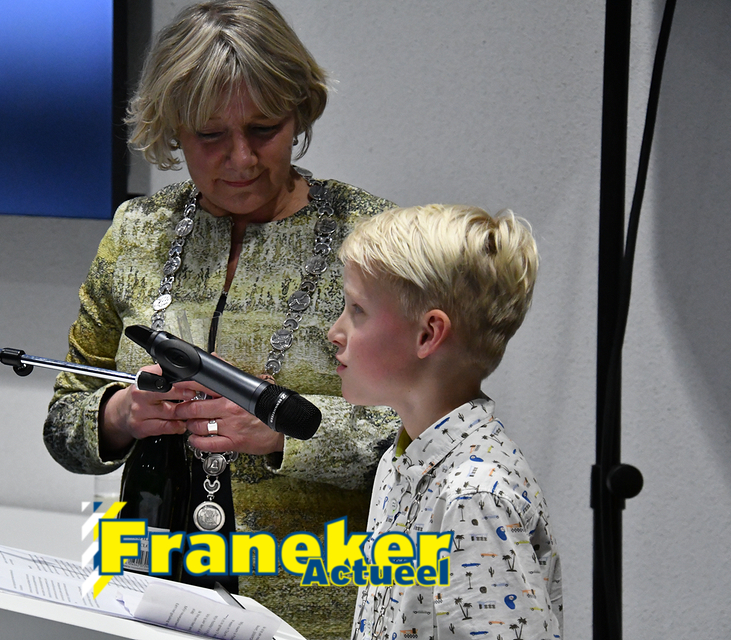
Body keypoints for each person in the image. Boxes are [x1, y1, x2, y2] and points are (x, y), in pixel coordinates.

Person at [42, 2, 399, 638]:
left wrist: (285, 433)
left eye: (263, 129)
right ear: (173, 130)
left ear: (299, 113)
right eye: (210, 136)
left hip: (312, 609)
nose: (241, 159)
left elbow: (423, 439)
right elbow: (63, 422)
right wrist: (120, 415)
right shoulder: (136, 234)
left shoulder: (374, 240)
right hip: (145, 598)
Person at [327, 205, 563, 639]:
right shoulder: (399, 462)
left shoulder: (473, 496)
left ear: (428, 334)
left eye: (357, 310)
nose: (335, 332)